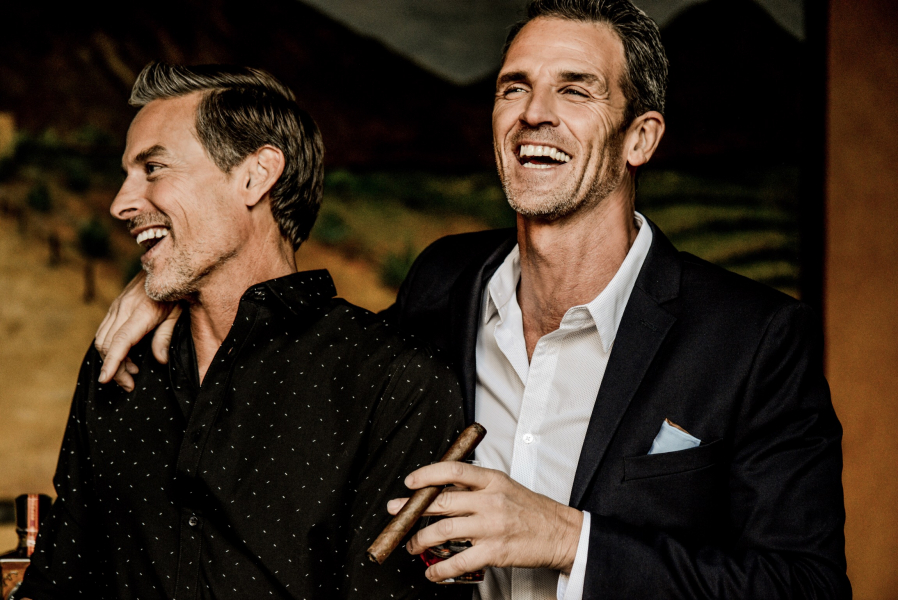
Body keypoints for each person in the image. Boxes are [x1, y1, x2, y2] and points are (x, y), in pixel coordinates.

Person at [94, 1, 851, 599]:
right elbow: (320, 372)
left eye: (575, 89)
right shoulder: (443, 281)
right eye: (513, 86)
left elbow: (808, 585)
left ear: (640, 138)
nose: (534, 112)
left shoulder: (754, 338)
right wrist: (175, 284)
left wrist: (570, 541)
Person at [18, 63, 467, 600]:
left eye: (153, 168)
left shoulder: (395, 385)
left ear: (256, 175)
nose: (121, 204)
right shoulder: (117, 359)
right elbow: (57, 584)